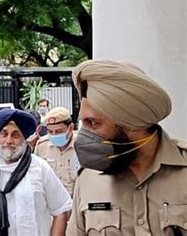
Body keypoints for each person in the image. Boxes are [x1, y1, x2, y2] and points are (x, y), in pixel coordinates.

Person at [68, 60, 187, 235]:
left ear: (131, 123)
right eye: (83, 122)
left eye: (93, 123)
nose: (83, 134)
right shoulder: (88, 179)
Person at [0, 108, 72, 236]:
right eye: (4, 134)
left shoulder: (39, 168)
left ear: (24, 139)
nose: (8, 141)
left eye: (15, 135)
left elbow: (61, 210)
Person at [33, 107, 79, 196]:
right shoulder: (42, 146)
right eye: (50, 131)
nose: (54, 135)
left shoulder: (81, 147)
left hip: (74, 203)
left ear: (70, 128)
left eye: (58, 131)